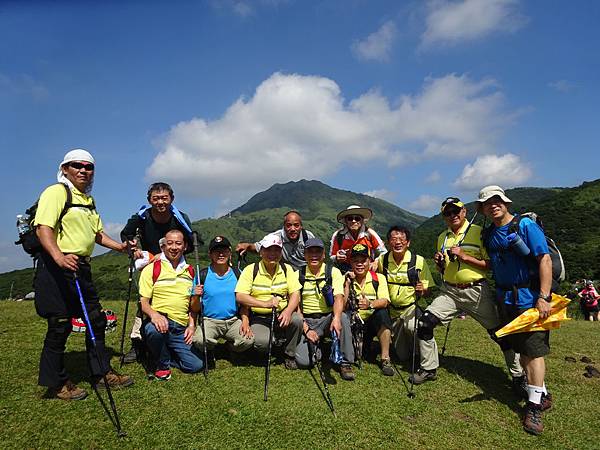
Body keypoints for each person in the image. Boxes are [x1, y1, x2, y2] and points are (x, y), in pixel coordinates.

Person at [33, 149, 133, 400]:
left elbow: (97, 234)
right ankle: (56, 384)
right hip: (58, 266)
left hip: (80, 267)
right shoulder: (56, 192)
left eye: (88, 167)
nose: (83, 170)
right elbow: (43, 227)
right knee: (60, 324)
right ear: (64, 169)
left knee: (95, 320)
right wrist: (58, 256)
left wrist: (120, 247)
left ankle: (101, 373)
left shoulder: (88, 200)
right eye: (76, 165)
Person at [417, 197, 525, 391]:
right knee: (424, 323)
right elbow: (444, 270)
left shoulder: (480, 232)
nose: (453, 216)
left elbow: (491, 265)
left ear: (464, 212)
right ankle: (428, 368)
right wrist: (440, 263)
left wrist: (464, 256)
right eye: (447, 213)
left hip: (476, 291)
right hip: (450, 291)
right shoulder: (442, 237)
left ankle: (518, 375)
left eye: (456, 211)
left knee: (500, 334)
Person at [478, 185, 554, 435]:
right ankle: (540, 393)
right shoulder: (489, 234)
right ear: (483, 209)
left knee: (533, 351)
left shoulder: (525, 226)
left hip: (529, 298)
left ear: (506, 202)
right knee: (521, 349)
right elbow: (494, 264)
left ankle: (533, 407)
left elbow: (544, 259)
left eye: (497, 200)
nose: (493, 204)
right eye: (488, 202)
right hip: (505, 299)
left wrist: (543, 296)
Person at [120, 182, 195, 364]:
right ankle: (138, 344)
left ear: (172, 199)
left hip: (173, 261)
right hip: (149, 265)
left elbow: (192, 242)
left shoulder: (179, 218)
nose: (160, 202)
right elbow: (126, 234)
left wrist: (168, 253)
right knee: (145, 303)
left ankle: (171, 342)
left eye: (164, 198)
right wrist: (134, 247)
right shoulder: (142, 217)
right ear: (149, 200)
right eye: (156, 198)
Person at [378, 226, 439, 384]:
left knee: (415, 327)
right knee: (403, 356)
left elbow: (428, 291)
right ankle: (411, 349)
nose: (398, 242)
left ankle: (428, 363)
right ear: (387, 243)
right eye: (394, 239)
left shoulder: (418, 261)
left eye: (402, 240)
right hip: (392, 312)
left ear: (408, 243)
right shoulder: (382, 260)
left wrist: (423, 290)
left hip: (410, 309)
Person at [139, 230, 203, 380]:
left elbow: (193, 308)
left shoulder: (191, 272)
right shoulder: (152, 269)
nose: (174, 247)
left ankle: (164, 351)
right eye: (170, 243)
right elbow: (143, 302)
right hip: (160, 322)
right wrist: (155, 315)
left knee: (196, 365)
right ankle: (162, 363)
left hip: (181, 328)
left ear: (185, 247)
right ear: (163, 247)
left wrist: (192, 326)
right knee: (153, 331)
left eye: (178, 243)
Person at [235, 234, 304, 369]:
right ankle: (273, 343)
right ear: (261, 252)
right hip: (259, 317)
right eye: (268, 250)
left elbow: (295, 294)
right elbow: (240, 296)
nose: (272, 254)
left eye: (276, 250)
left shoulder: (286, 269)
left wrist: (289, 311)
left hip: (281, 314)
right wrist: (265, 304)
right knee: (262, 343)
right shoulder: (251, 270)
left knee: (297, 320)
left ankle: (289, 354)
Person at [294, 238, 356, 381]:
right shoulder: (297, 274)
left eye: (318, 252)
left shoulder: (333, 272)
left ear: (324, 255)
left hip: (327, 318)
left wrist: (336, 318)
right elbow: (295, 304)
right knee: (304, 362)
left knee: (344, 318)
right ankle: (319, 346)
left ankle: (345, 362)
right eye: (310, 251)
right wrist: (306, 329)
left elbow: (339, 297)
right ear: (305, 254)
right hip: (307, 320)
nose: (314, 255)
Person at [192, 236, 254, 359]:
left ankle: (229, 348)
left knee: (248, 341)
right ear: (210, 254)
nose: (221, 254)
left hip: (233, 320)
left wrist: (245, 321)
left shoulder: (238, 274)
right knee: (199, 340)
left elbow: (244, 303)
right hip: (209, 320)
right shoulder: (201, 275)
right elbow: (194, 308)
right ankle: (210, 349)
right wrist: (195, 295)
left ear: (230, 253)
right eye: (216, 251)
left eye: (224, 251)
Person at [346, 243, 394, 376]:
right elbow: (342, 304)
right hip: (354, 324)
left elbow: (385, 301)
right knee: (359, 354)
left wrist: (370, 304)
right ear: (351, 262)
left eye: (363, 261)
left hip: (372, 322)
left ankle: (385, 359)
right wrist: (347, 284)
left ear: (370, 261)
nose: (360, 264)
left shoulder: (378, 278)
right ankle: (364, 347)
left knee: (383, 314)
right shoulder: (346, 278)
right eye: (356, 261)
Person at [236, 210, 315, 270]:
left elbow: (317, 256)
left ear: (301, 226)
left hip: (306, 274)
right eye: (288, 225)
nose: (292, 229)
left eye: (296, 225)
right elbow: (258, 248)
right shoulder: (276, 237)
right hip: (286, 276)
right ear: (284, 226)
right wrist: (248, 246)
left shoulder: (308, 237)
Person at [330, 205, 386, 273]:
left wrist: (376, 261)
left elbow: (384, 252)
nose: (353, 221)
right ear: (346, 221)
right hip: (345, 270)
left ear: (362, 220)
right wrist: (336, 258)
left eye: (357, 218)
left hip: (366, 269)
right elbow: (331, 256)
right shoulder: (338, 235)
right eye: (350, 218)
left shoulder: (369, 233)